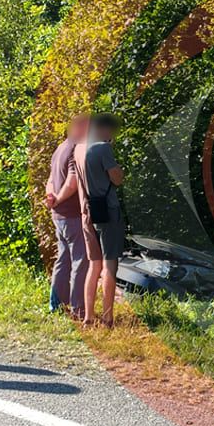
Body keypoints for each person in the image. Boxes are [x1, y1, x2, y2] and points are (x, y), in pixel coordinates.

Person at [78, 113, 125, 325]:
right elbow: (117, 178)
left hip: (88, 211)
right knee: (109, 265)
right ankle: (107, 318)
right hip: (107, 210)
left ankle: (88, 317)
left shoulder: (78, 149)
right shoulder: (103, 149)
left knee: (93, 264)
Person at [44, 115, 90, 317]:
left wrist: (51, 199)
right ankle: (78, 308)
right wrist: (59, 199)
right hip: (72, 214)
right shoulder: (74, 148)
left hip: (59, 216)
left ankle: (56, 304)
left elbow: (50, 181)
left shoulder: (60, 147)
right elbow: (72, 182)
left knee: (63, 259)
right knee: (81, 261)